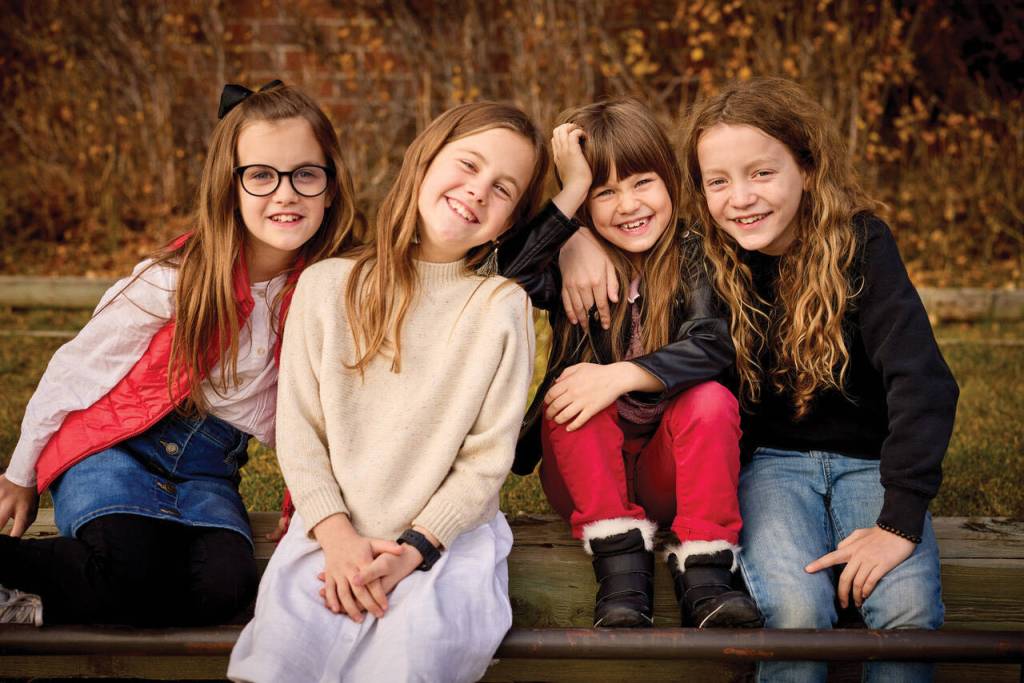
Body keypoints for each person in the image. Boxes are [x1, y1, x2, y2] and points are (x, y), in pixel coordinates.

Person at [0, 80, 358, 627]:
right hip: (117, 446)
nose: (285, 193)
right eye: (261, 175)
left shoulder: (328, 289)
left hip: (209, 472)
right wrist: (22, 473)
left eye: (305, 174)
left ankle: (31, 603)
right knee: (130, 567)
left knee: (223, 589)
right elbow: (78, 369)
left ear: (330, 187)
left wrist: (314, 505)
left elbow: (322, 409)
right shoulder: (177, 279)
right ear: (229, 187)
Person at [227, 101, 548, 683]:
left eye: (503, 189)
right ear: (423, 163)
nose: (477, 191)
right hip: (333, 533)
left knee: (413, 660)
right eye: (467, 165)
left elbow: (487, 459)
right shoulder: (328, 286)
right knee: (281, 662)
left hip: (443, 543)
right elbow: (301, 433)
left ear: (510, 221)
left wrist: (418, 547)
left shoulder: (501, 307)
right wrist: (336, 535)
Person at [678, 76, 958, 681]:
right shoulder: (707, 259)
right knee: (796, 608)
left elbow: (923, 382)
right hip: (770, 466)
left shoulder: (861, 244)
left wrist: (898, 521)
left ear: (806, 167)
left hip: (871, 462)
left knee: (906, 608)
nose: (741, 198)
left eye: (761, 173)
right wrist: (578, 249)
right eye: (718, 181)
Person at [499, 98, 761, 630]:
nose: (627, 205)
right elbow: (507, 272)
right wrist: (569, 221)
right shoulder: (573, 266)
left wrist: (619, 374)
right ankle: (621, 580)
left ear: (669, 180)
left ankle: (706, 573)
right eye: (604, 192)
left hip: (676, 473)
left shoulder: (698, 254)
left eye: (642, 182)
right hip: (586, 472)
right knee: (572, 391)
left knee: (709, 396)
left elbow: (714, 343)